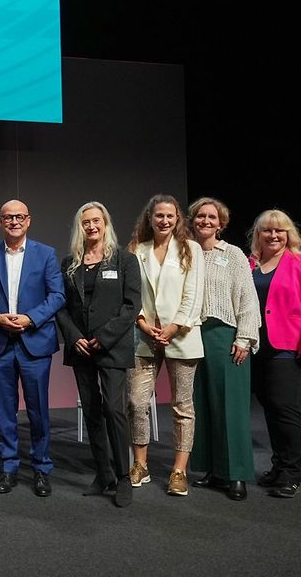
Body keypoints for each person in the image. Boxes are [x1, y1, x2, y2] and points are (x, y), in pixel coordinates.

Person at [0, 199, 65, 497]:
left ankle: (40, 468)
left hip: (34, 343)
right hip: (1, 343)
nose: (14, 221)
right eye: (8, 217)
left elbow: (57, 295)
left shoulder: (46, 254)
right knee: (5, 412)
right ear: (0, 221)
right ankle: (8, 467)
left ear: (29, 220)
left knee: (38, 412)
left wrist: (30, 318)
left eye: (19, 217)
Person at [56, 202, 141, 507]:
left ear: (106, 223)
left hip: (112, 347)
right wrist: (75, 337)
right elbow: (61, 306)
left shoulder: (125, 261)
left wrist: (102, 338)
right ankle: (102, 472)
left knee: (114, 411)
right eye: (85, 222)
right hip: (81, 349)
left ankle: (123, 477)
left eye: (96, 221)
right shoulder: (70, 264)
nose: (91, 226)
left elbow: (132, 306)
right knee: (91, 410)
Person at [127, 194, 205, 497]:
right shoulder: (136, 250)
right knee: (136, 402)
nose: (164, 220)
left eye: (170, 216)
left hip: (181, 336)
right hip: (145, 336)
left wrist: (174, 327)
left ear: (177, 219)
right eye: (159, 215)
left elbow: (193, 295)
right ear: (150, 218)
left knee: (183, 406)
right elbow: (131, 295)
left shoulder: (191, 249)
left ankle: (178, 471)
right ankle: (140, 464)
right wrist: (144, 323)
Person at [188, 197, 260, 501]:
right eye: (200, 216)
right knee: (201, 404)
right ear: (192, 221)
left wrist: (244, 337)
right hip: (192, 334)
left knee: (231, 406)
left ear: (221, 223)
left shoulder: (233, 255)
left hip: (224, 334)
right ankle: (210, 468)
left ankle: (237, 474)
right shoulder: (186, 253)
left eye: (212, 217)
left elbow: (247, 298)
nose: (206, 221)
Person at [248, 209, 301, 498]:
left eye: (279, 230)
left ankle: (293, 472)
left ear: (288, 234)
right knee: (268, 406)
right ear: (259, 234)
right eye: (267, 230)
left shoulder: (297, 264)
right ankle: (279, 464)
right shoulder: (251, 264)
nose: (273, 235)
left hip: (286, 345)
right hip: (257, 345)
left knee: (286, 409)